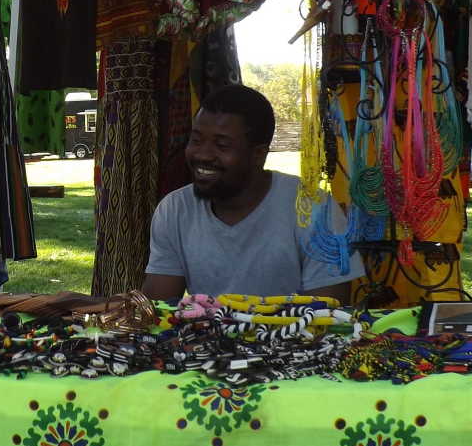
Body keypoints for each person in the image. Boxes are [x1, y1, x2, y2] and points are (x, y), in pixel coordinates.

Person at [142, 85, 360, 301]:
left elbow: (330, 311)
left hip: (297, 325)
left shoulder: (315, 208)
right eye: (196, 140)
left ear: (258, 154)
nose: (203, 154)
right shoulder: (175, 210)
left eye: (222, 145)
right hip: (205, 325)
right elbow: (157, 307)